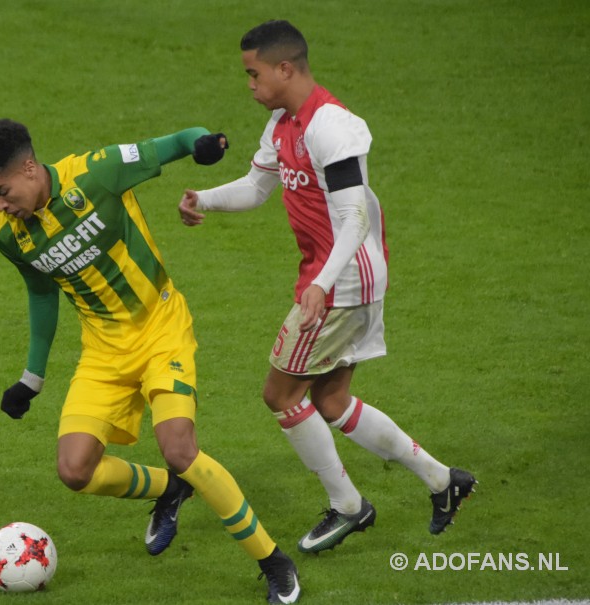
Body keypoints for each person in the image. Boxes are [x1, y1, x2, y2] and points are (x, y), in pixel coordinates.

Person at [0, 119, 300, 604]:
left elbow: (172, 143)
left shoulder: (96, 173)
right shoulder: (8, 233)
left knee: (180, 448)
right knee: (76, 471)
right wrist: (31, 379)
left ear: (30, 168)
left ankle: (273, 561)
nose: (0, 205)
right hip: (103, 353)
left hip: (161, 330)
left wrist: (204, 144)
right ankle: (169, 490)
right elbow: (40, 292)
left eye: (2, 190)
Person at [178, 20, 476, 554]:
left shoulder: (332, 128)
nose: (249, 84)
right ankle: (443, 481)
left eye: (254, 73)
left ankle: (349, 507)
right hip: (336, 277)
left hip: (343, 282)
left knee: (280, 393)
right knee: (332, 397)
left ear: (285, 68)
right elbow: (255, 187)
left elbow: (354, 218)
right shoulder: (282, 122)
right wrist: (204, 198)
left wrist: (321, 283)